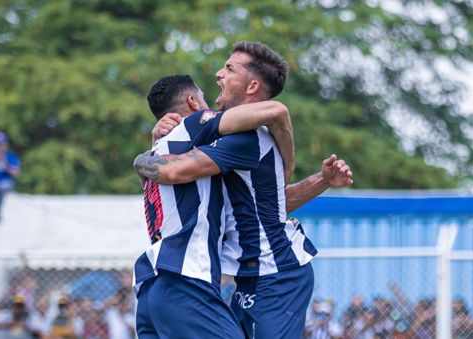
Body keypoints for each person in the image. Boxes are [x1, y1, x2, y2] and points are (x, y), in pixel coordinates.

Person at [136, 42, 352, 338]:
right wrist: (322, 181)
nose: (218, 74)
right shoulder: (225, 138)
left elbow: (172, 171)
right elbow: (273, 203)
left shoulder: (245, 138)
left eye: (229, 68)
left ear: (252, 86)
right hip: (249, 276)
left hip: (278, 273)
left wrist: (145, 159)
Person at [133, 74, 302, 339]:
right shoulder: (193, 124)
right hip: (185, 281)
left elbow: (268, 203)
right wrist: (288, 165)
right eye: (203, 97)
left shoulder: (155, 152)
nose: (212, 100)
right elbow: (274, 110)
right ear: (192, 101)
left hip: (149, 291)